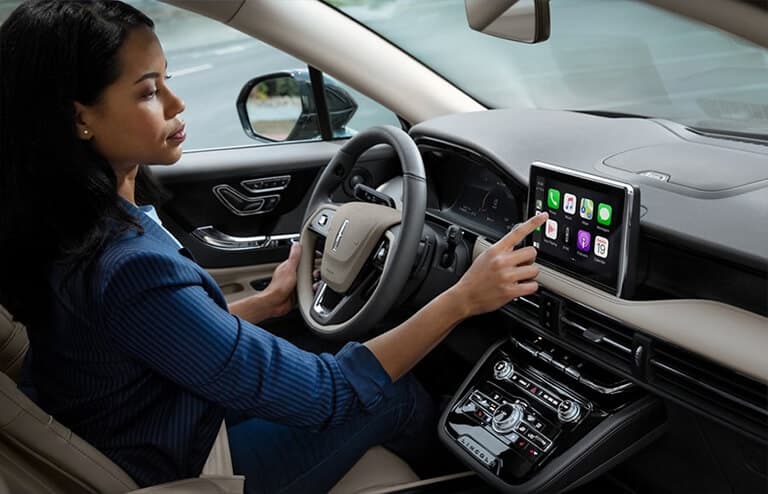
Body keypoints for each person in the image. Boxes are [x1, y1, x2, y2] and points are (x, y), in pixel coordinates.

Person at [0, 1, 548, 492]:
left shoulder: (69, 223)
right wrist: (464, 299)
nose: (176, 101)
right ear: (79, 118)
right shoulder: (125, 264)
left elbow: (150, 334)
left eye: (167, 79)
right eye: (148, 91)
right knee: (396, 395)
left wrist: (266, 302)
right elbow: (329, 395)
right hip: (177, 464)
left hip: (145, 420)